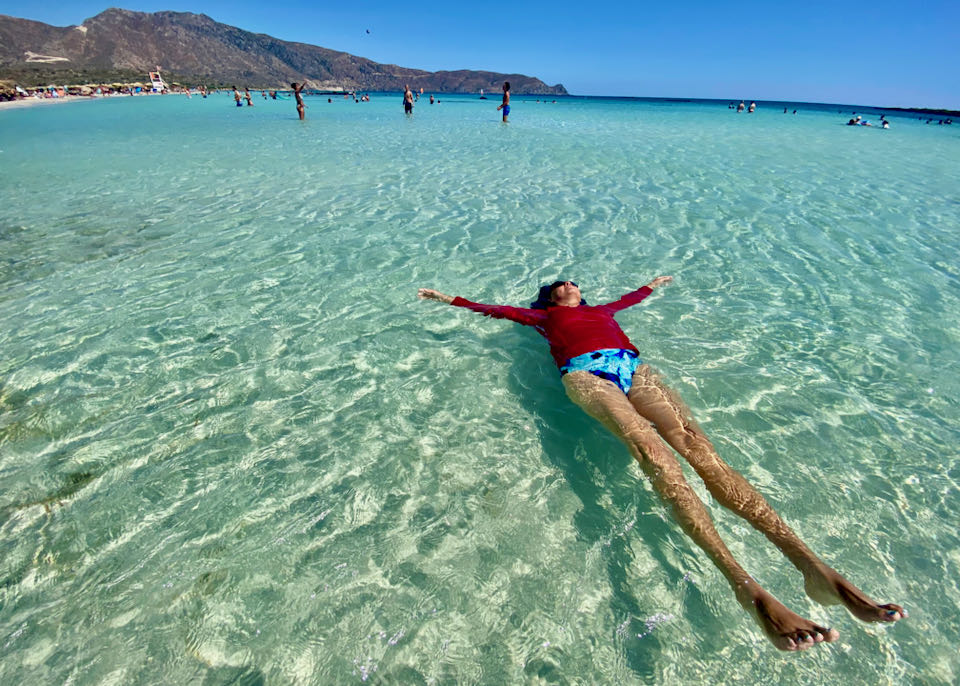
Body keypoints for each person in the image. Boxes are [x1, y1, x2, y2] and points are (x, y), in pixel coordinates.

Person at [417, 278, 906, 651]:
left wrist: (653, 284)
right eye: (561, 284)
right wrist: (449, 300)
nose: (570, 285)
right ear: (548, 300)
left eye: (575, 283)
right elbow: (494, 310)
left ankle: (812, 566)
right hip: (587, 375)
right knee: (652, 450)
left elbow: (629, 301)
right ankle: (746, 587)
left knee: (702, 452)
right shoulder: (541, 319)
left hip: (634, 369)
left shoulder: (601, 309)